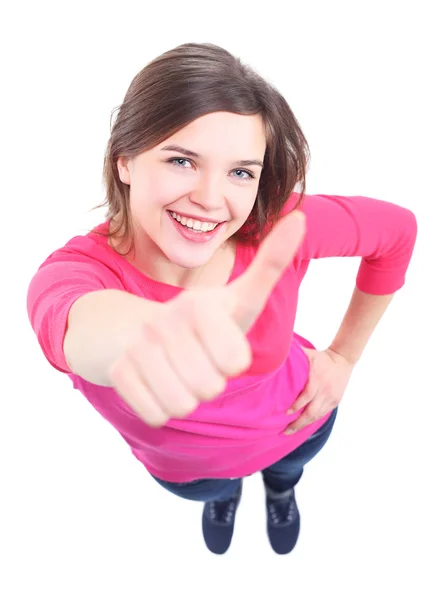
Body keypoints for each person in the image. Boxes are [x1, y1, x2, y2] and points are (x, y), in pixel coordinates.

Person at [26, 42, 417, 556]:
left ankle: (281, 488)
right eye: (182, 160)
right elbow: (81, 323)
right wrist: (152, 332)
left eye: (241, 172)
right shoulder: (76, 274)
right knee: (215, 488)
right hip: (190, 474)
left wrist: (344, 356)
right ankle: (225, 497)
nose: (212, 199)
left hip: (302, 423)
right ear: (125, 161)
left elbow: (397, 233)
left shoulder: (277, 231)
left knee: (289, 469)